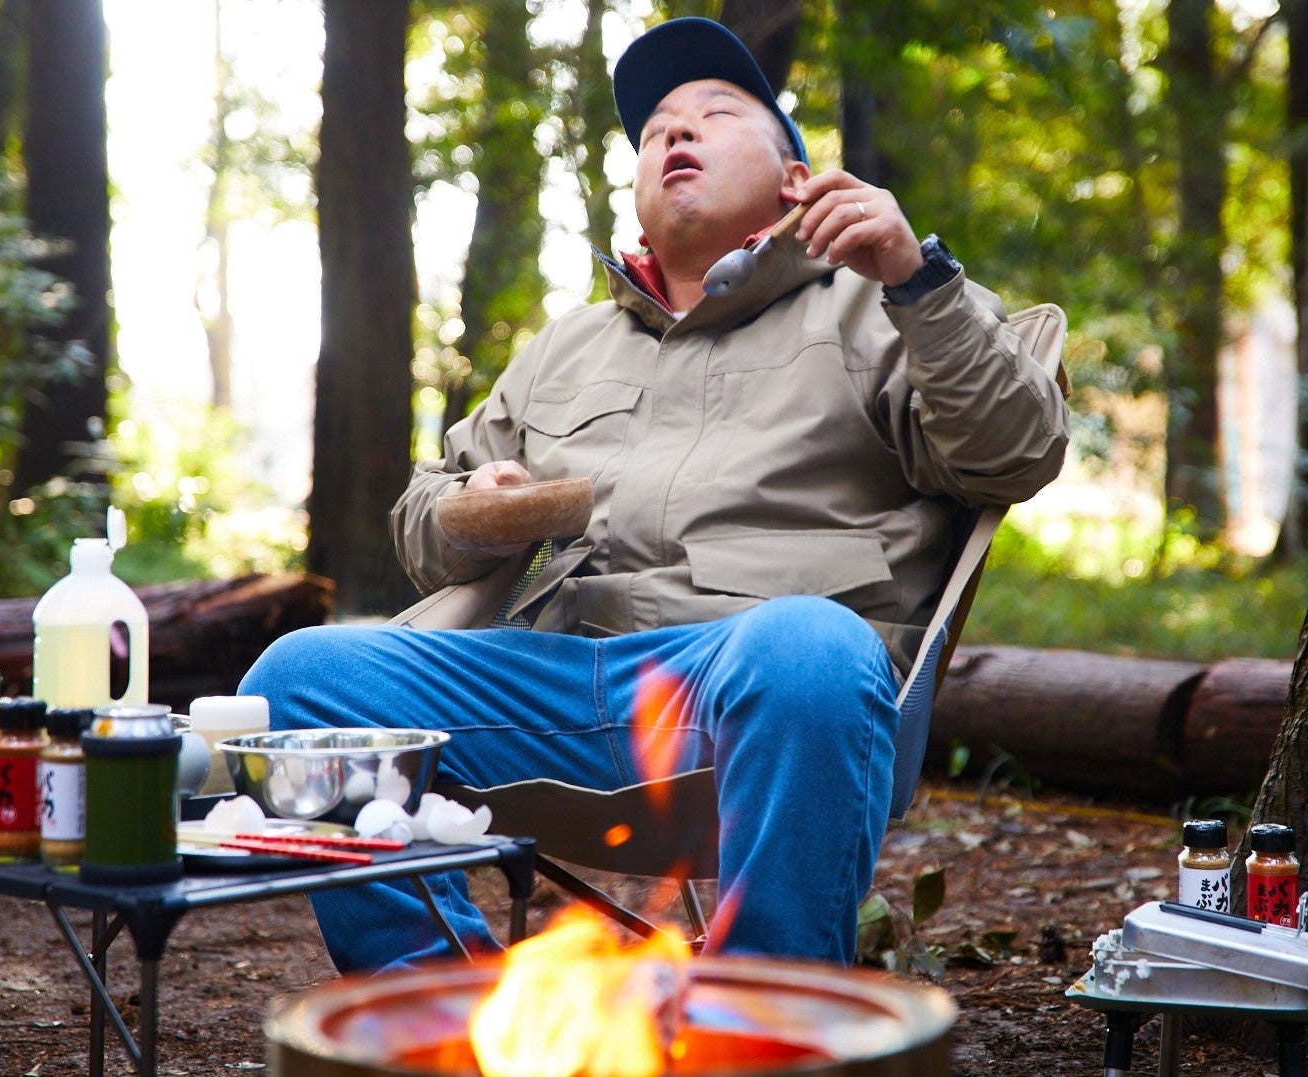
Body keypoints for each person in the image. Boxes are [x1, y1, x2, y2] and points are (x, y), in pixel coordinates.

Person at [240, 16, 1068, 972]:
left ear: (797, 180)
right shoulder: (567, 346)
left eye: (716, 113)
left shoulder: (881, 305)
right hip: (549, 687)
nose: (677, 129)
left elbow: (1012, 456)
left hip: (757, 687)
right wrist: (472, 507)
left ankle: (763, 1020)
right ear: (637, 197)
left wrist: (916, 280)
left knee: (811, 644)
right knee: (297, 681)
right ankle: (443, 1006)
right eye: (657, 128)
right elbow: (425, 528)